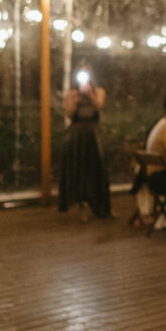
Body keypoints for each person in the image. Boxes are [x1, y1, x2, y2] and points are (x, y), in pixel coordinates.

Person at [58, 65, 111, 219]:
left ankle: (100, 204)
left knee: (97, 167)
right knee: (79, 168)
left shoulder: (99, 91)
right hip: (77, 134)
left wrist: (90, 94)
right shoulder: (72, 93)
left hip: (93, 133)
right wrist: (74, 100)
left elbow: (99, 106)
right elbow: (69, 114)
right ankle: (82, 205)